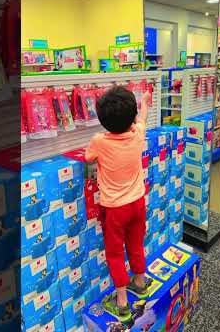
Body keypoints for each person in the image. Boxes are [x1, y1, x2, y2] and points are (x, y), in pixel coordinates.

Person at [85, 86, 151, 321]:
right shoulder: (138, 133)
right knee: (136, 243)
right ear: (132, 115)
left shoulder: (99, 141)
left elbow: (88, 158)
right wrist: (145, 101)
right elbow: (143, 117)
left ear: (103, 120)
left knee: (115, 253)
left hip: (114, 208)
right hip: (138, 203)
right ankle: (140, 281)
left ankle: (122, 300)